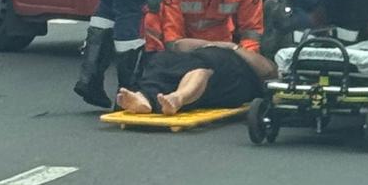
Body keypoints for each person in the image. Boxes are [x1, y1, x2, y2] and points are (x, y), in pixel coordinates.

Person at [115, 40, 276, 116]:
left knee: (203, 69)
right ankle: (144, 98)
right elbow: (178, 44)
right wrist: (213, 43)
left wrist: (232, 47)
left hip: (231, 73)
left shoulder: (251, 53)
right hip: (199, 54)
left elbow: (269, 71)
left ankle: (178, 97)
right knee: (161, 60)